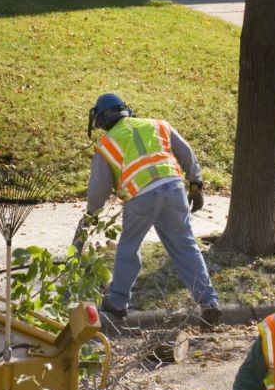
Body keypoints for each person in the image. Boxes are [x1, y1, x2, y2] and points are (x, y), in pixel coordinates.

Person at [79, 93, 220, 326]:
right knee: (186, 246)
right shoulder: (158, 125)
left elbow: (98, 188)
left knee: (129, 248)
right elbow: (186, 153)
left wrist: (92, 213)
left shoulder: (106, 144)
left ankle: (117, 302)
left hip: (141, 197)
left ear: (101, 120)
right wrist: (195, 182)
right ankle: (209, 302)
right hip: (174, 189)